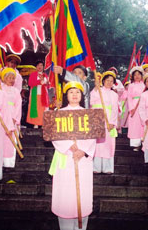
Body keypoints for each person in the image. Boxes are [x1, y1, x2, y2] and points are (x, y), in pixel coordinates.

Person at [49, 81, 96, 230]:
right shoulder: (59, 113)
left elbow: (93, 136)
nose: (74, 95)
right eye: (71, 92)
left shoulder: (89, 114)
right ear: (66, 95)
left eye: (77, 92)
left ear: (82, 95)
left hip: (82, 160)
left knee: (83, 193)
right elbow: (55, 136)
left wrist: (83, 150)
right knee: (65, 194)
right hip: (66, 157)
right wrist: (69, 146)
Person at [90, 71, 118, 174]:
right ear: (103, 81)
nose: (109, 83)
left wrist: (112, 123)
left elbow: (115, 110)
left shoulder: (114, 95)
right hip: (98, 120)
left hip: (109, 121)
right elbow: (91, 102)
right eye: (107, 80)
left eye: (111, 81)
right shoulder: (97, 91)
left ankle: (108, 168)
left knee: (108, 145)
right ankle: (96, 167)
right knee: (98, 145)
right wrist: (96, 89)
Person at [0, 68, 22, 168]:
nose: (12, 80)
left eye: (13, 78)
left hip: (12, 115)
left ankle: (9, 164)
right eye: (9, 78)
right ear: (4, 78)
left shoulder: (16, 91)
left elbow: (18, 105)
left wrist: (14, 118)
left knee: (11, 140)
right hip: (2, 116)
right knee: (0, 140)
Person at [127, 66, 145, 151]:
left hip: (143, 106)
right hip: (134, 106)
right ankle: (136, 144)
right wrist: (131, 108)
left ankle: (144, 143)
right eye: (135, 75)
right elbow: (129, 98)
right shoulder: (131, 86)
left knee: (143, 124)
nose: (137, 76)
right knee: (135, 125)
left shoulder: (145, 85)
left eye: (139, 74)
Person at [27, 60, 49, 128]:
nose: (40, 67)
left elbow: (48, 86)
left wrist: (45, 82)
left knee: (43, 109)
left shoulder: (45, 75)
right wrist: (40, 81)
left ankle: (43, 124)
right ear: (36, 67)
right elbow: (30, 83)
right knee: (35, 109)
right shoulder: (33, 74)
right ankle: (35, 124)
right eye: (38, 65)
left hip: (43, 95)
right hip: (35, 95)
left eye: (41, 65)